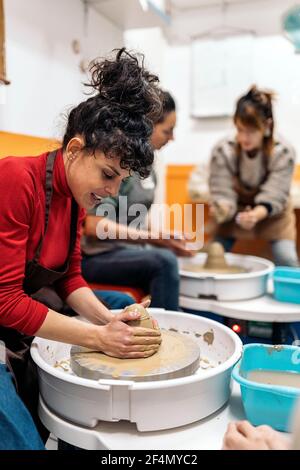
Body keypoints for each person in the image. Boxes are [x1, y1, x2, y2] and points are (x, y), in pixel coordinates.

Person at [0, 48, 162, 449]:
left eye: (119, 180)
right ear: (74, 150)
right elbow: (4, 302)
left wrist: (107, 320)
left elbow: (70, 276)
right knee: (26, 443)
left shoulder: (74, 196)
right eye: (108, 175)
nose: (111, 191)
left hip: (23, 309)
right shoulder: (17, 178)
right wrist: (99, 338)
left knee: (112, 307)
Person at [81, 91, 194, 311]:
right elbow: (94, 226)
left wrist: (168, 237)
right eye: (168, 131)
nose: (172, 138)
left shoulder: (149, 168)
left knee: (170, 256)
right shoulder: (117, 163)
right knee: (164, 261)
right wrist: (156, 240)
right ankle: (167, 332)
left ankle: (162, 322)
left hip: (129, 252)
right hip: (97, 256)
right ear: (148, 126)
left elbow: (138, 219)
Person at [208, 86, 298, 267]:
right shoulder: (223, 150)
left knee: (287, 259)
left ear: (267, 126)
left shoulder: (283, 152)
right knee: (211, 253)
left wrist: (256, 214)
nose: (243, 137)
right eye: (240, 129)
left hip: (273, 215)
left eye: (250, 131)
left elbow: (276, 193)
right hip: (235, 213)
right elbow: (221, 187)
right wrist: (222, 207)